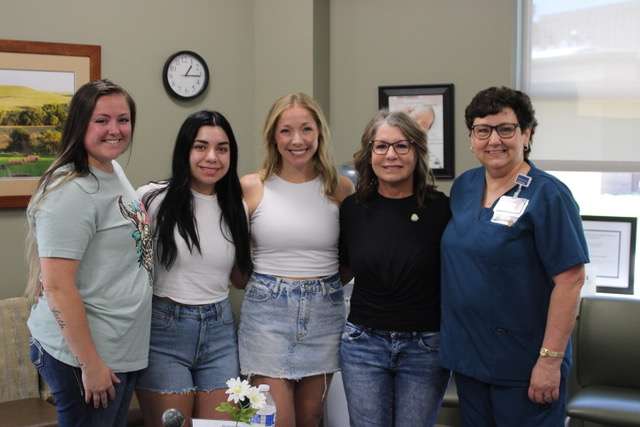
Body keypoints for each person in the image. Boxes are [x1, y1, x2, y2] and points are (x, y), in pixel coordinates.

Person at [440, 86, 590, 426]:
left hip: (525, 365)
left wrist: (549, 362)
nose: (494, 140)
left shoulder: (549, 195)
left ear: (527, 133)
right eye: (483, 130)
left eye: (505, 129)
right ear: (471, 138)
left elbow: (570, 280)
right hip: (470, 360)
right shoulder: (464, 187)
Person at [25, 79, 153, 427]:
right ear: (80, 124)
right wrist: (90, 364)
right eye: (102, 120)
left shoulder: (112, 170)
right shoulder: (71, 190)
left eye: (123, 120)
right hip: (84, 355)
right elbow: (57, 287)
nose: (115, 130)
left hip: (118, 347)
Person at [239, 92, 354, 427]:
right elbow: (231, 254)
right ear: (273, 136)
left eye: (306, 129)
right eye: (286, 130)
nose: (297, 140)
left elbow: (350, 257)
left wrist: (324, 287)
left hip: (324, 312)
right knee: (272, 420)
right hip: (267, 315)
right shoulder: (251, 187)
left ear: (319, 133)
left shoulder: (339, 187)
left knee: (312, 417)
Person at [135, 110, 252, 427]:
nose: (212, 157)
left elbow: (240, 278)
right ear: (184, 150)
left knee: (225, 426)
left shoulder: (236, 206)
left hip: (219, 331)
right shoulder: (151, 198)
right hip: (164, 331)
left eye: (222, 148)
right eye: (201, 147)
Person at [339, 110, 451, 427]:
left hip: (425, 348)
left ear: (417, 152)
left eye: (402, 146)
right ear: (369, 153)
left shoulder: (441, 209)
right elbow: (342, 268)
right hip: (363, 346)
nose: (391, 155)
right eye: (382, 146)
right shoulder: (353, 209)